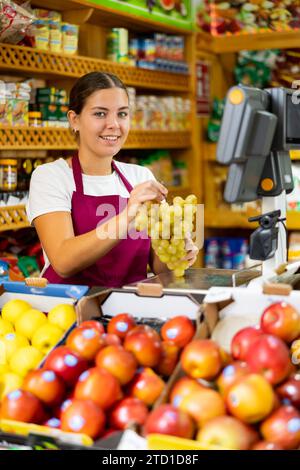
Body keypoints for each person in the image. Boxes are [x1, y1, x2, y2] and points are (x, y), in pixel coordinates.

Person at [27, 71, 198, 287]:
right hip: (70, 311)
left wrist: (180, 252)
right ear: (74, 120)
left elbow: (160, 267)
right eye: (100, 114)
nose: (114, 124)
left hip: (128, 311)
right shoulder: (51, 176)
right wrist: (127, 217)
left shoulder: (140, 177)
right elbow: (63, 260)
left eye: (122, 114)